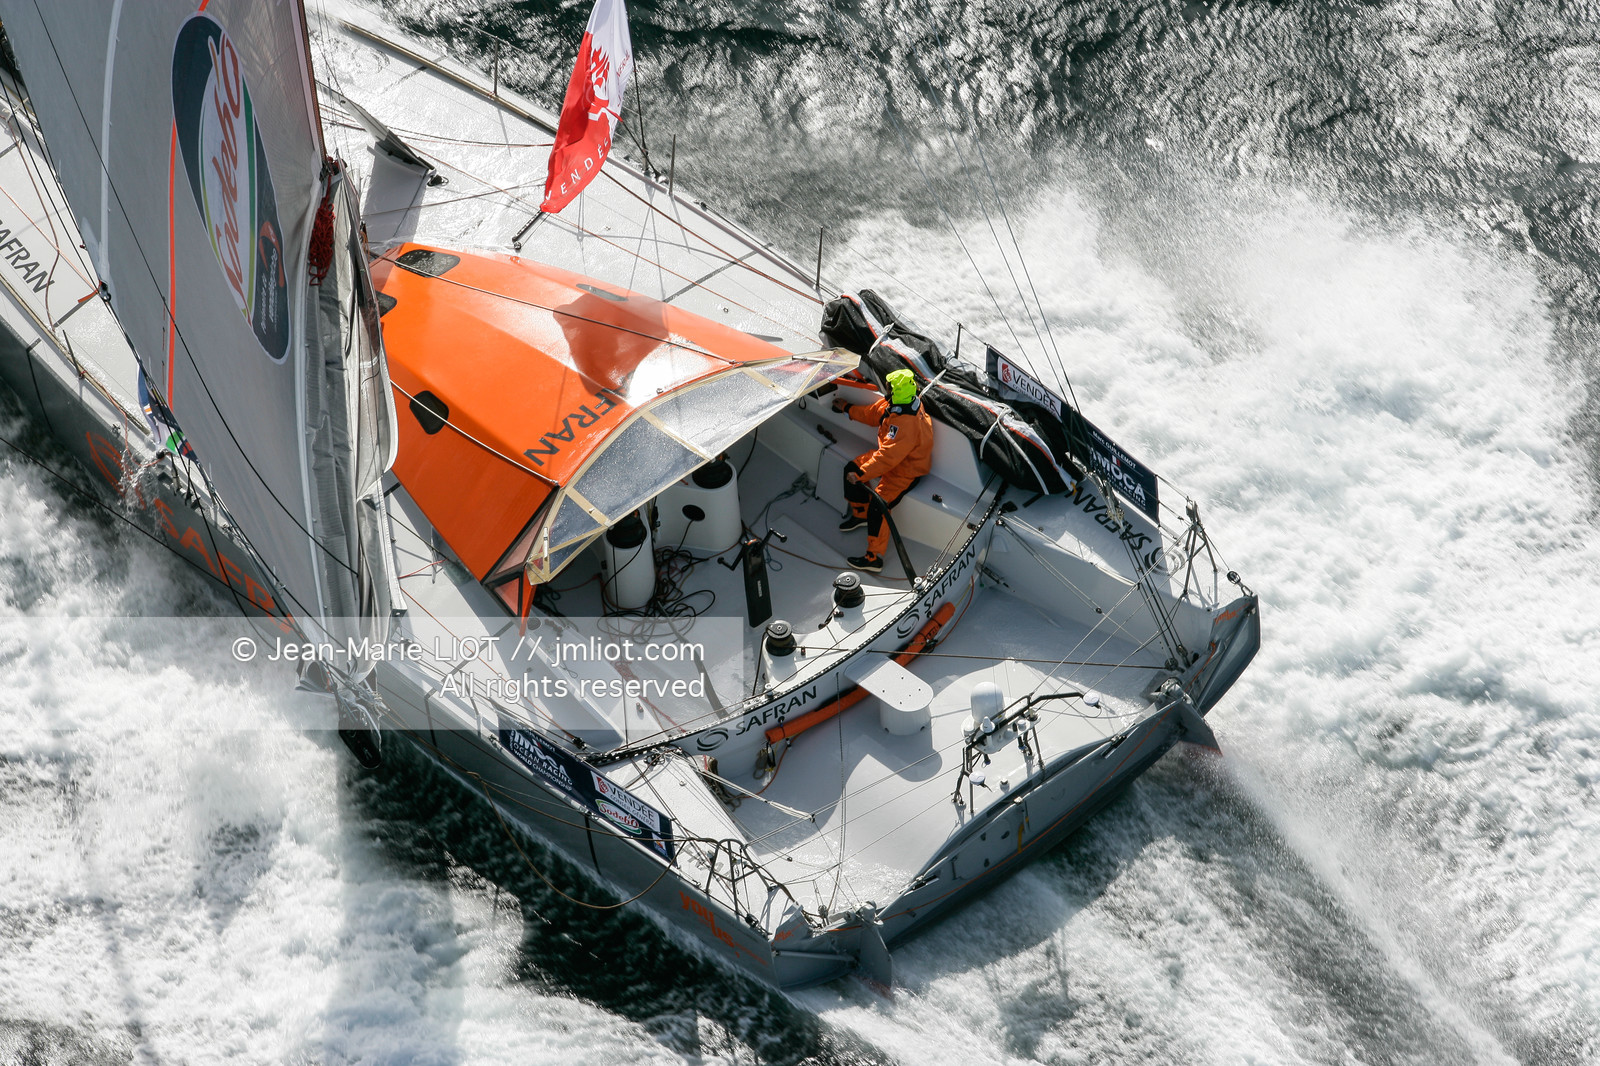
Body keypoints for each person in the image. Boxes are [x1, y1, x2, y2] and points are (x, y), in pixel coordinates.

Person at [830, 368, 934, 572]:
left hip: (905, 472)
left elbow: (888, 456)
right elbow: (872, 414)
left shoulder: (906, 423)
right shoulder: (900, 404)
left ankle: (874, 558)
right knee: (850, 468)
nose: (885, 388)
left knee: (879, 506)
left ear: (895, 391)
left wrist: (861, 474)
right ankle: (861, 515)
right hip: (891, 461)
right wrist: (847, 408)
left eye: (888, 386)